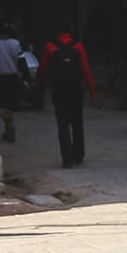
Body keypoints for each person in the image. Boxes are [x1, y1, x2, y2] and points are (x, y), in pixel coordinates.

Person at [38, 24, 97, 168]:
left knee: (62, 124)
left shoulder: (50, 47)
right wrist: (92, 91)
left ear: (57, 31)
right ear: (70, 31)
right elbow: (85, 69)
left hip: (59, 91)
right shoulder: (78, 47)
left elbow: (43, 70)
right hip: (76, 90)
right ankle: (78, 155)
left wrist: (40, 89)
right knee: (77, 123)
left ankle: (67, 158)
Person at [0, 23, 25, 111]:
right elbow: (20, 60)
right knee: (14, 96)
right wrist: (24, 74)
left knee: (3, 98)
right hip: (13, 74)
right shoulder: (15, 43)